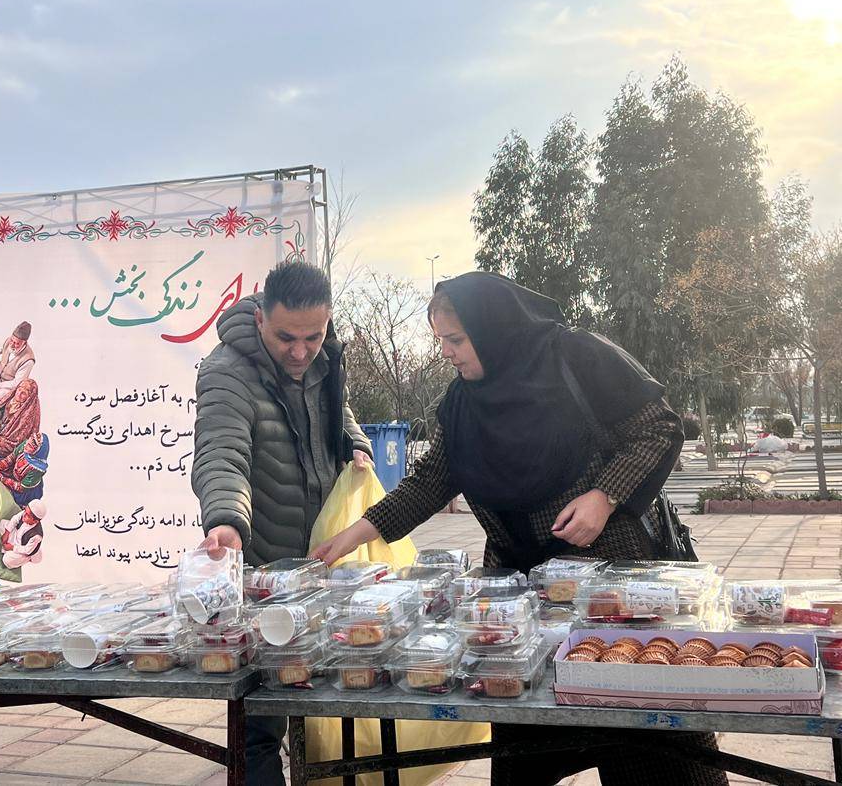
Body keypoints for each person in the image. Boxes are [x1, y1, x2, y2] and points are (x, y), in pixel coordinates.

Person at [311, 273, 725, 786]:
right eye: (440, 340)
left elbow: (658, 427)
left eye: (456, 339)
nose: (447, 352)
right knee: (526, 743)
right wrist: (356, 532)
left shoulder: (576, 356)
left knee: (645, 738)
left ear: (494, 330)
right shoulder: (464, 402)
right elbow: (432, 479)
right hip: (521, 607)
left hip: (616, 593)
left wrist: (604, 496)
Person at [190, 260, 371, 786]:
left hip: (323, 561)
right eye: (286, 338)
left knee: (329, 705)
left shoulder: (325, 357)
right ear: (261, 318)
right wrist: (227, 521)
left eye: (312, 337)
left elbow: (339, 412)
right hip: (264, 565)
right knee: (260, 724)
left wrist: (355, 443)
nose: (299, 352)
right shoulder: (227, 370)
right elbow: (221, 453)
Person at [0, 432, 50, 507]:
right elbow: (11, 458)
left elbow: (21, 488)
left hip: (25, 491)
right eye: (30, 438)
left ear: (38, 451)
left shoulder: (37, 470)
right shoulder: (25, 445)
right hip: (14, 477)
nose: (27, 443)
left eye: (32, 445)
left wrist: (2, 479)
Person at [0, 378, 41, 456]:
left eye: (24, 393)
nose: (19, 393)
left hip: (6, 445)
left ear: (29, 398)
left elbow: (15, 442)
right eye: (19, 389)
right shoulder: (10, 399)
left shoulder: (27, 416)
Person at [0, 499, 46, 569]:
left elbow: (27, 550)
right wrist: (7, 533)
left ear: (35, 521)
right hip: (17, 537)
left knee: (6, 560)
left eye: (28, 515)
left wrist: (12, 547)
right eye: (25, 511)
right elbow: (15, 519)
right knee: (2, 523)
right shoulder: (25, 513)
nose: (24, 515)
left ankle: (28, 558)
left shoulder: (36, 536)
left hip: (24, 549)